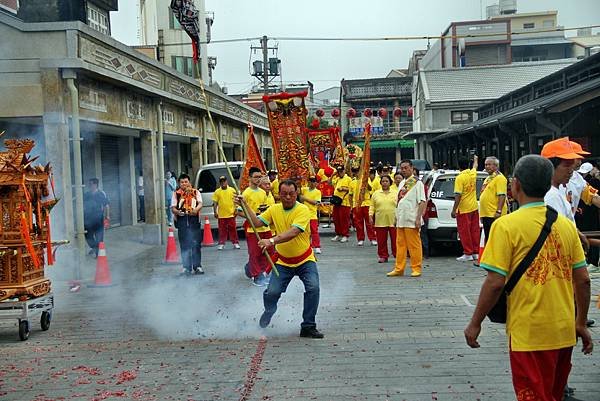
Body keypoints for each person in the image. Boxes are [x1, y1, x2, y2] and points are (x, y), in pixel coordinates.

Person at [464, 155, 593, 401]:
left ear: (516, 185)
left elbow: (495, 282)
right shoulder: (566, 226)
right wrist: (581, 322)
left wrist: (475, 322)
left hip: (529, 332)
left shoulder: (505, 226)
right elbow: (583, 280)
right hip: (564, 331)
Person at [236, 180, 324, 339]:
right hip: (283, 262)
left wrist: (271, 241)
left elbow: (294, 232)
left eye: (292, 194)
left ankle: (308, 326)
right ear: (279, 195)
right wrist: (244, 204)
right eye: (284, 194)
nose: (288, 197)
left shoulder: (302, 210)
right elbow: (256, 222)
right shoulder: (274, 209)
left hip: (305, 259)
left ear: (297, 194)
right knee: (272, 293)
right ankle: (269, 311)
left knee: (313, 288)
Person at [387, 160, 426, 277]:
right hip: (401, 219)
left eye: (406, 168)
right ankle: (399, 268)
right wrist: (395, 217)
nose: (403, 170)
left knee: (414, 245)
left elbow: (422, 201)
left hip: (412, 219)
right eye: (402, 168)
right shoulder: (401, 183)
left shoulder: (417, 183)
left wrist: (418, 218)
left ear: (411, 168)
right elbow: (399, 202)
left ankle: (416, 268)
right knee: (400, 246)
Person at [239, 167, 273, 286]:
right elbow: (238, 211)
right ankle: (255, 275)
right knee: (255, 252)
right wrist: (251, 217)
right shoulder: (246, 193)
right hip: (252, 228)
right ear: (250, 178)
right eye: (256, 177)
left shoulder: (263, 192)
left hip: (265, 226)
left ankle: (263, 272)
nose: (258, 179)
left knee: (268, 251)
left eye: (260, 177)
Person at [171, 173, 203, 275]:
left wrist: (195, 210)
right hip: (182, 222)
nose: (184, 184)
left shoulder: (195, 192)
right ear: (179, 183)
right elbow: (173, 208)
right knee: (184, 245)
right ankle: (186, 267)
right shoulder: (176, 194)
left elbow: (200, 203)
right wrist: (178, 212)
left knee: (196, 244)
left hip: (194, 220)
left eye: (186, 182)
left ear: (189, 182)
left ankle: (197, 266)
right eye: (182, 182)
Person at [452, 156, 480, 262]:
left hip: (464, 209)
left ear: (458, 165)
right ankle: (476, 252)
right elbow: (475, 166)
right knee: (474, 230)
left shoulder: (460, 178)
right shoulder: (472, 174)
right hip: (474, 207)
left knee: (465, 232)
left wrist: (454, 210)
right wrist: (475, 159)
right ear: (468, 164)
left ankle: (468, 253)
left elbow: (458, 195)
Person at [369, 175, 397, 263]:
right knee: (381, 240)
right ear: (380, 183)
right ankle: (383, 256)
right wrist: (370, 215)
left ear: (390, 182)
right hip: (380, 220)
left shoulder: (396, 192)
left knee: (396, 240)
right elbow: (372, 206)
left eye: (386, 181)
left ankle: (397, 255)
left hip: (394, 220)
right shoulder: (376, 193)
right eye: (383, 181)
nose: (385, 183)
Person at [479, 156, 508, 242]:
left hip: (494, 214)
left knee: (495, 239)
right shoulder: (488, 178)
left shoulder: (500, 178)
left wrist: (498, 211)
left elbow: (502, 195)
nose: (486, 166)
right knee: (488, 238)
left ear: (496, 166)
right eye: (485, 164)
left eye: (489, 164)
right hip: (486, 214)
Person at [83, 178, 110, 258]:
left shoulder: (101, 194)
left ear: (95, 185)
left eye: (91, 184)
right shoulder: (87, 194)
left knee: (99, 237)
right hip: (88, 219)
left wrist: (107, 216)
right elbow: (82, 205)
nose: (89, 186)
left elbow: (106, 205)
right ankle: (94, 248)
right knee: (88, 236)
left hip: (98, 218)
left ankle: (98, 254)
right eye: (89, 184)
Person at [350, 168, 376, 247]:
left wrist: (365, 182)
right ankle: (360, 239)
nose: (357, 173)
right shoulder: (352, 182)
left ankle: (373, 238)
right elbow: (350, 195)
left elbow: (370, 189)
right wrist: (351, 206)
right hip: (357, 204)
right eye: (356, 172)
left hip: (366, 203)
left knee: (369, 222)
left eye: (358, 171)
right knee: (358, 223)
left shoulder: (366, 179)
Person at [212, 176, 240, 250]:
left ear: (227, 182)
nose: (223, 183)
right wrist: (215, 211)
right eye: (221, 181)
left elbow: (236, 200)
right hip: (221, 215)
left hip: (231, 214)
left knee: (233, 229)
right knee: (222, 230)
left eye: (224, 181)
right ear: (220, 183)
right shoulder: (217, 192)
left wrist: (236, 209)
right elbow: (215, 202)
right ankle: (221, 243)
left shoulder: (232, 190)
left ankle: (235, 243)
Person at [301, 176, 322, 254]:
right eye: (311, 181)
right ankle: (307, 246)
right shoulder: (304, 190)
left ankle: (317, 246)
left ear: (316, 183)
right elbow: (298, 190)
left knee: (314, 231)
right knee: (305, 232)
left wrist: (305, 198)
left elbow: (316, 202)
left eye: (314, 182)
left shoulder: (317, 192)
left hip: (312, 215)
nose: (312, 183)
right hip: (304, 215)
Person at [331, 165, 352, 243]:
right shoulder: (337, 179)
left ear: (344, 171)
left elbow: (351, 189)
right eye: (339, 172)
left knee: (344, 220)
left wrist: (343, 188)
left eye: (341, 171)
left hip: (345, 203)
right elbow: (329, 183)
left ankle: (345, 235)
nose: (340, 173)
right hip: (336, 202)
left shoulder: (348, 179)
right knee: (336, 219)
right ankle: (338, 234)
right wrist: (333, 175)